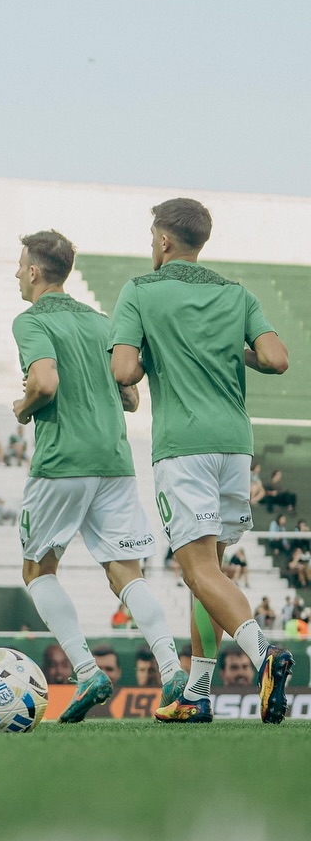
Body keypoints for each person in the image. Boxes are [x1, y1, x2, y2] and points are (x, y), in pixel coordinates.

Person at [109, 199, 293, 724]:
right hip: (235, 445)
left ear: (165, 241)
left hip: (183, 446)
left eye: (152, 237)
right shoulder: (237, 293)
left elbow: (124, 368)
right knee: (206, 569)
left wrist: (152, 351)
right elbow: (277, 359)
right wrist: (233, 352)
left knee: (196, 569)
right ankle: (197, 692)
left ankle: (265, 654)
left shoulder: (141, 290)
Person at [10, 230, 187, 722]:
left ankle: (87, 672)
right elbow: (130, 394)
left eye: (18, 264)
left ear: (32, 271)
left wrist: (24, 408)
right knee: (126, 574)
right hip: (114, 460)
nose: (15, 273)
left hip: (63, 461)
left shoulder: (29, 322)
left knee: (37, 570)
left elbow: (44, 382)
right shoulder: (101, 321)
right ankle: (173, 673)